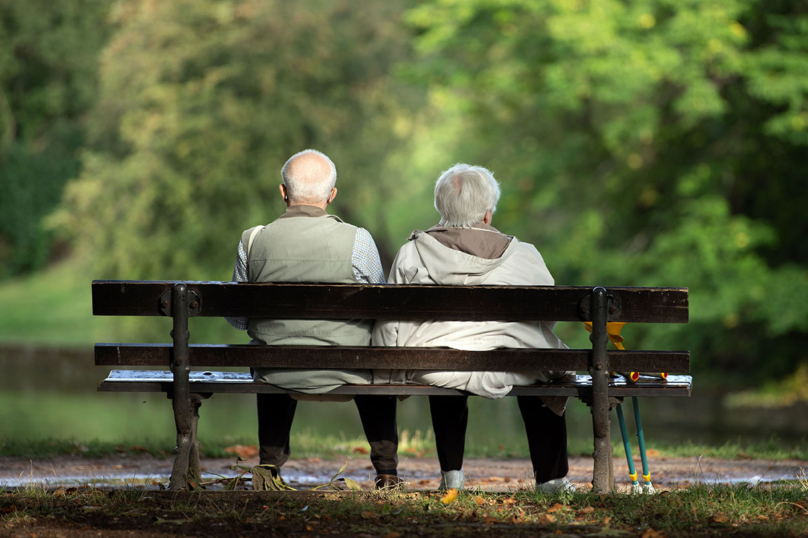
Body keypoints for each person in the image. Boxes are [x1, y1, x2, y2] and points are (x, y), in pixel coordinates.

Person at [372, 163, 574, 493]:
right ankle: (551, 480)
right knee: (543, 368)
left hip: (435, 365)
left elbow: (392, 319)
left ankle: (452, 478)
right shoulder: (524, 255)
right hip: (513, 363)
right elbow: (546, 318)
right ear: (487, 214)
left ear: (441, 209)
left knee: (446, 357)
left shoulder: (412, 252)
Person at [227, 149, 399, 489]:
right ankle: (387, 471)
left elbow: (238, 318)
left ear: (283, 192)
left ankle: (269, 468)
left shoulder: (253, 240)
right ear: (332, 195)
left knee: (270, 349)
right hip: (350, 367)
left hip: (276, 369)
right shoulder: (359, 241)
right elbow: (381, 310)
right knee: (376, 354)